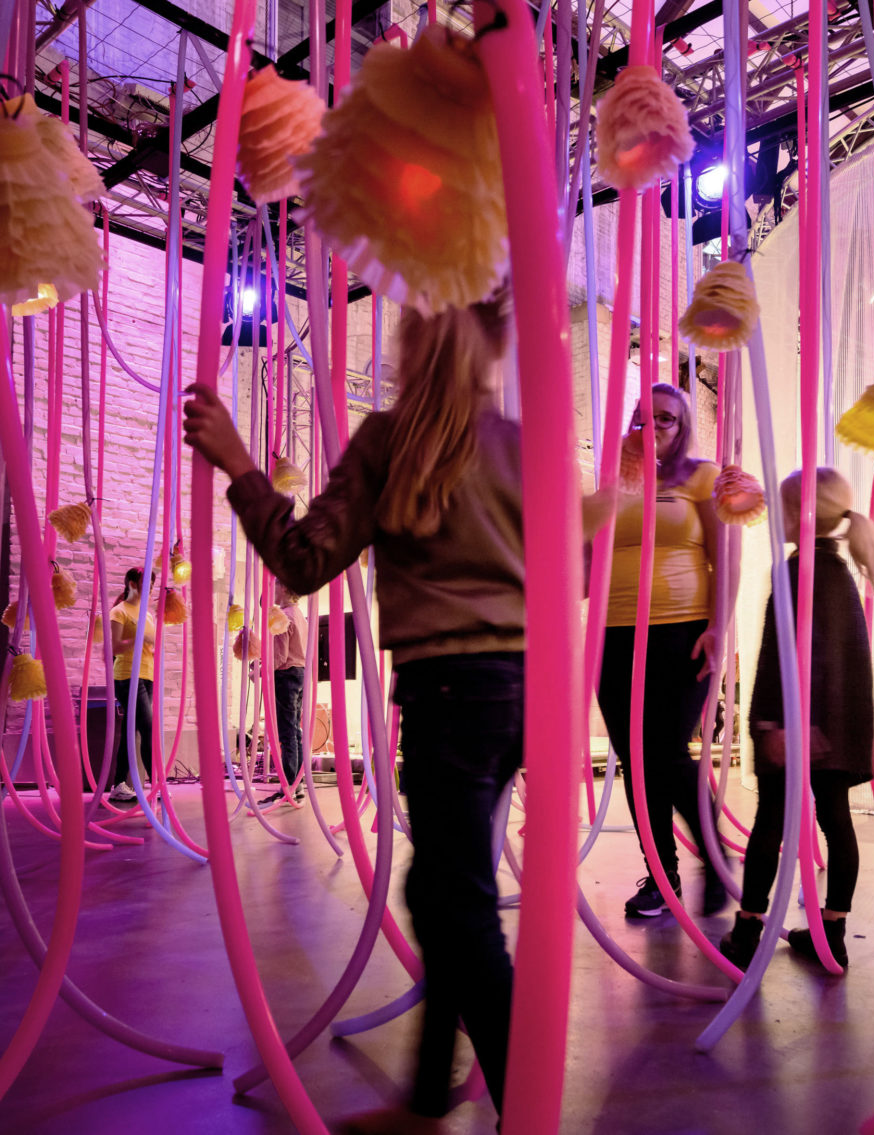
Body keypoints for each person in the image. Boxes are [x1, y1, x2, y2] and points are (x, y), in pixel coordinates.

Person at [185, 298, 612, 1133]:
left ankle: (528, 1111)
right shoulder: (526, 444)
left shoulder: (391, 438)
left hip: (448, 692)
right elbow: (577, 569)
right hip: (522, 692)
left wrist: (238, 462)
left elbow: (304, 560)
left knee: (457, 905)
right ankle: (424, 1102)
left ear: (419, 347)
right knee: (448, 887)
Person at [719, 467, 874, 971]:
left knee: (770, 820)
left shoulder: (799, 571)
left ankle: (748, 930)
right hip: (833, 722)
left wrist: (779, 722)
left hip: (801, 722)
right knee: (835, 819)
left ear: (797, 513)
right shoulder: (836, 570)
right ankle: (831, 932)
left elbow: (790, 654)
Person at [600, 382, 728, 919]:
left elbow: (726, 558)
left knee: (668, 753)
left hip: (684, 630)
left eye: (666, 418)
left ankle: (716, 858)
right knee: (635, 760)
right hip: (614, 634)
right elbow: (590, 556)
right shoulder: (614, 481)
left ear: (682, 427)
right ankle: (662, 876)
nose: (653, 428)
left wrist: (719, 627)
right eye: (642, 418)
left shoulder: (704, 477)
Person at [108, 567, 157, 804]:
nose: (149, 588)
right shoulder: (119, 612)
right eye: (144, 583)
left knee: (132, 731)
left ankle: (118, 784)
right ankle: (156, 784)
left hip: (147, 676)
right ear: (131, 584)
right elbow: (114, 648)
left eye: (151, 584)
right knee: (147, 729)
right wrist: (137, 640)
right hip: (128, 676)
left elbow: (150, 646)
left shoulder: (147, 614)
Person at [260, 588, 311, 805]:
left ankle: (288, 785)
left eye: (277, 586)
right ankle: (296, 784)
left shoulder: (284, 617)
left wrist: (260, 670)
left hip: (286, 675)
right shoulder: (299, 614)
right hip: (299, 673)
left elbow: (279, 657)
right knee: (295, 732)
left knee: (287, 733)